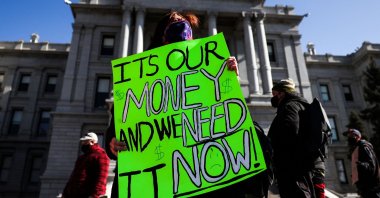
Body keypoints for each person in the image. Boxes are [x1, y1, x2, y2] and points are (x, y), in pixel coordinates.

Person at [106, 10, 239, 198]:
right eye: (173, 21)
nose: (179, 23)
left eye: (184, 22)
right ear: (163, 36)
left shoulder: (205, 75)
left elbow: (224, 120)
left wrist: (228, 81)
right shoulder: (138, 78)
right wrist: (112, 143)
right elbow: (117, 127)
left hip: (188, 180)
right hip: (146, 182)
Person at [267, 78, 316, 198]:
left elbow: (289, 131)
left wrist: (274, 150)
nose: (273, 98)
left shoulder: (289, 106)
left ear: (282, 93)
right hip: (301, 164)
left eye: (275, 94)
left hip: (290, 166)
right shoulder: (301, 104)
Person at [62, 132, 110, 198]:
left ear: (92, 142)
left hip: (87, 195)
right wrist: (65, 193)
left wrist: (95, 195)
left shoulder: (101, 155)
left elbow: (101, 177)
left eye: (85, 141)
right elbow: (73, 177)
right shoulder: (82, 158)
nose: (82, 143)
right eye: (82, 141)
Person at [343, 128, 380, 198]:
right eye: (348, 136)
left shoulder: (364, 146)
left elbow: (372, 165)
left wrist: (361, 166)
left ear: (357, 136)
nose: (349, 138)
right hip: (364, 186)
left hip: (371, 186)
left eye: (351, 135)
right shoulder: (357, 148)